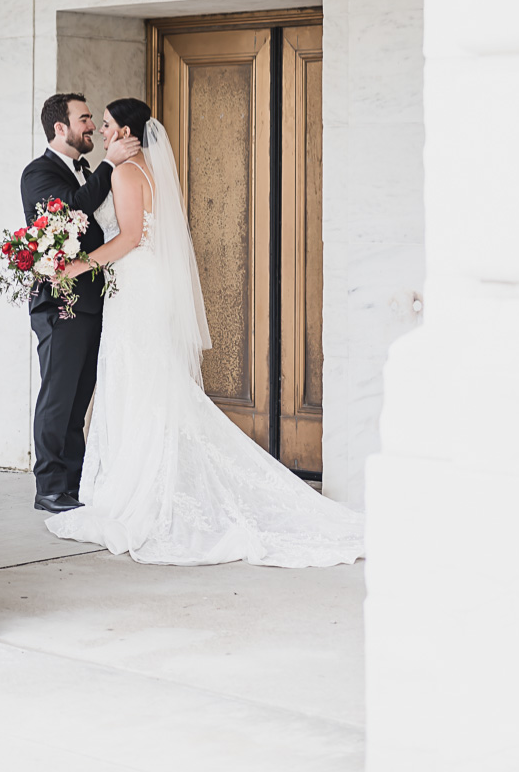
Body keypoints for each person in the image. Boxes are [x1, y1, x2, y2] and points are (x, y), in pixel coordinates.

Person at [46, 96, 365, 567]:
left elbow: (131, 236)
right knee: (147, 384)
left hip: (135, 287)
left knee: (140, 385)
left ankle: (142, 486)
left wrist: (75, 267)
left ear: (130, 132)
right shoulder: (147, 170)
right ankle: (148, 474)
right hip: (141, 282)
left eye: (110, 124)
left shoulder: (125, 172)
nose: (105, 131)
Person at [20, 92, 139, 514]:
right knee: (57, 397)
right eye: (84, 118)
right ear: (60, 128)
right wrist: (110, 166)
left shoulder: (85, 169)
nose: (90, 126)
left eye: (91, 118)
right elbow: (72, 212)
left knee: (78, 399)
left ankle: (73, 483)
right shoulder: (38, 174)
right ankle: (49, 487)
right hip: (60, 303)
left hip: (91, 302)